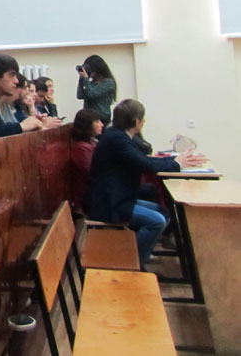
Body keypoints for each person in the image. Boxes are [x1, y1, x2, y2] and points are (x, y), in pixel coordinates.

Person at [84, 99, 207, 264]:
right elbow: (145, 164)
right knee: (156, 221)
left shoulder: (117, 135)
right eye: (143, 118)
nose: (144, 121)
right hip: (109, 203)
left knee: (165, 212)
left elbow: (144, 159)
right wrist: (177, 163)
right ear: (136, 121)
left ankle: (143, 254)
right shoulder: (117, 139)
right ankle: (132, 263)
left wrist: (176, 161)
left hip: (119, 197)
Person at [69, 108, 103, 210]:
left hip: (98, 193)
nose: (102, 124)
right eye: (97, 121)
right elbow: (93, 174)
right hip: (91, 199)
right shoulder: (82, 148)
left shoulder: (92, 142)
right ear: (87, 125)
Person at [76, 55, 116, 125]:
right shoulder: (91, 83)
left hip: (102, 120)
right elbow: (80, 95)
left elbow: (91, 94)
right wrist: (81, 79)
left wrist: (85, 79)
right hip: (88, 119)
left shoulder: (108, 82)